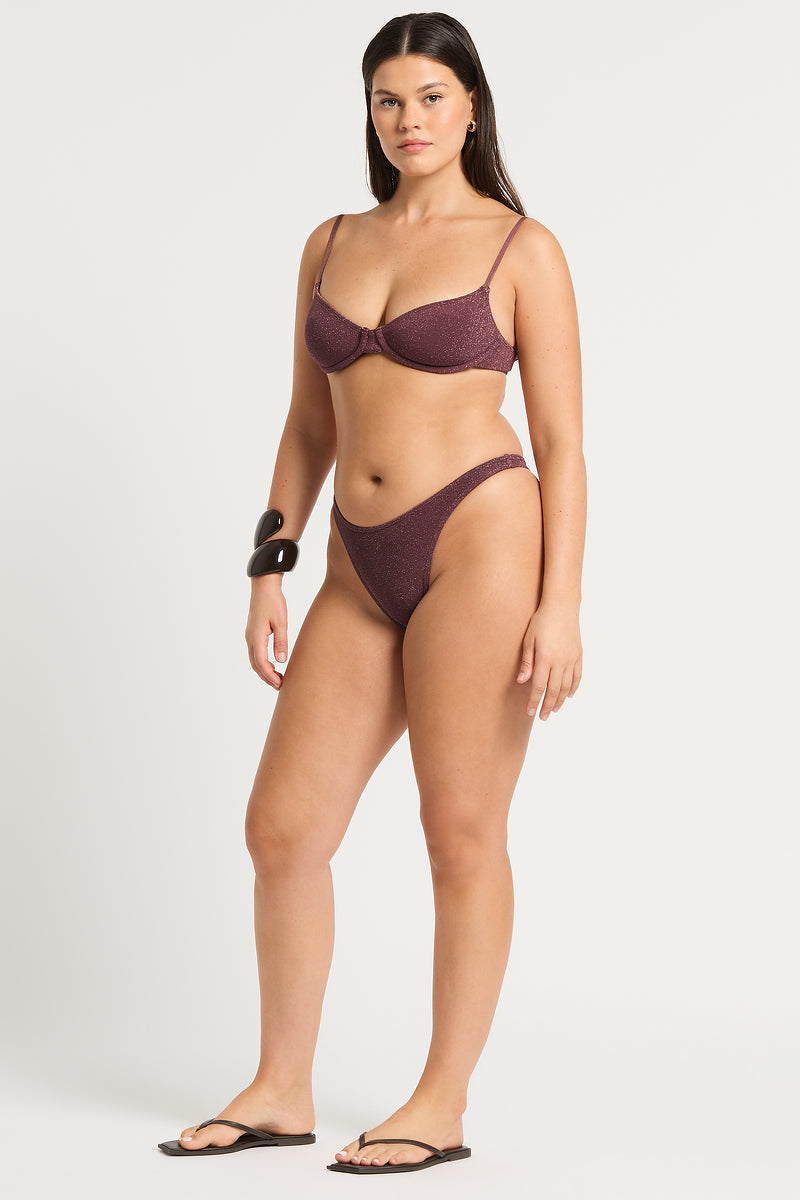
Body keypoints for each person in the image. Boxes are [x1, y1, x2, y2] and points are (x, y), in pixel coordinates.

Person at [157, 10, 585, 1176]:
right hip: (353, 559)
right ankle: (279, 1087)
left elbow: (561, 443)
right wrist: (270, 563)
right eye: (388, 100)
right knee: (282, 829)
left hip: (480, 542)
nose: (409, 120)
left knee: (459, 830)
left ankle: (440, 1102)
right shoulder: (331, 241)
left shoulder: (520, 249)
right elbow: (307, 424)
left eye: (430, 98)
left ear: (471, 107)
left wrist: (560, 604)